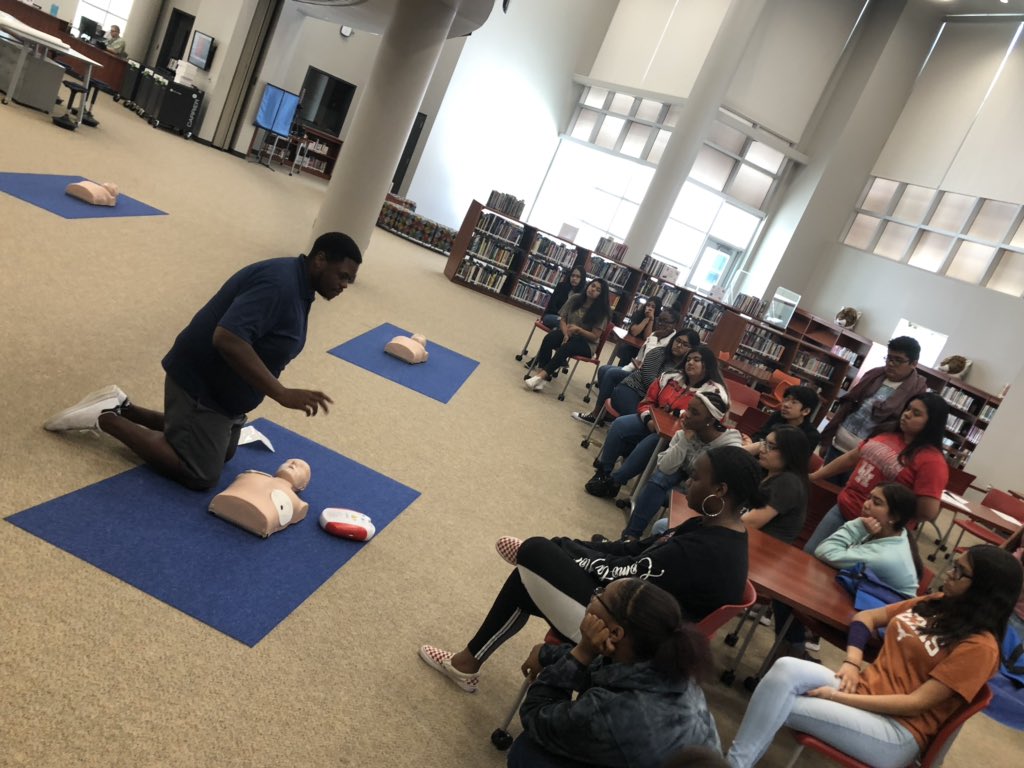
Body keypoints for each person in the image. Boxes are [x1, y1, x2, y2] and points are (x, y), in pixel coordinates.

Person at [418, 446, 762, 694]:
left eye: (696, 477)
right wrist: (567, 546)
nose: (687, 482)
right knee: (537, 563)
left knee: (535, 551)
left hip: (628, 643)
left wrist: (560, 553)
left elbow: (623, 574)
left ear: (720, 490)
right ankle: (467, 664)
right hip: (628, 612)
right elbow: (633, 549)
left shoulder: (703, 551)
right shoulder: (711, 528)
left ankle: (468, 661)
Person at [44, 232, 362, 491]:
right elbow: (227, 338)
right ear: (320, 260)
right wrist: (281, 393)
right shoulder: (279, 285)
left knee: (223, 453)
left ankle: (124, 407)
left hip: (225, 393)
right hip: (201, 382)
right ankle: (104, 418)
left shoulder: (299, 285)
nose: (344, 285)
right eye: (342, 275)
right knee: (200, 474)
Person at [726, 546, 1023, 768]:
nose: (949, 574)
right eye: (953, 566)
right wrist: (852, 663)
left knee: (780, 700)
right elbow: (867, 617)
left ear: (984, 589)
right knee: (786, 669)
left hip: (896, 731)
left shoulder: (980, 647)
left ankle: (735, 764)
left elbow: (915, 704)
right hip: (866, 689)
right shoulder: (938, 603)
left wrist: (836, 697)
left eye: (960, 572)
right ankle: (736, 764)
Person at [506, 579, 721, 768]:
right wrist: (546, 653)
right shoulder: (671, 665)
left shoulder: (611, 712)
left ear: (616, 633)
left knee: (527, 752)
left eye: (600, 594)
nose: (593, 596)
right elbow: (605, 667)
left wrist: (582, 651)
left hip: (632, 737)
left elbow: (535, 713)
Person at [772, 482, 922, 658]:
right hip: (861, 594)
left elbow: (824, 552)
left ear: (894, 517)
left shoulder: (885, 556)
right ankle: (790, 651)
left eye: (877, 502)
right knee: (790, 585)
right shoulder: (893, 532)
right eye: (869, 498)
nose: (866, 504)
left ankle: (792, 652)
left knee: (788, 595)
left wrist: (857, 526)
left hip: (879, 624)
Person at [805, 393, 949, 553]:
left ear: (932, 423)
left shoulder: (932, 460)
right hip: (844, 508)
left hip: (876, 529)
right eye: (908, 409)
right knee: (810, 553)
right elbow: (852, 457)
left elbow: (927, 511)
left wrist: (891, 520)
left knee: (839, 573)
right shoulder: (886, 434)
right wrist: (815, 476)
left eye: (916, 414)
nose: (907, 415)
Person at [585, 345, 728, 499]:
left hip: (685, 438)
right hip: (653, 422)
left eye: (696, 360)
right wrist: (648, 420)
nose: (690, 362)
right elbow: (648, 401)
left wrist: (676, 420)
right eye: (688, 359)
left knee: (653, 441)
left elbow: (710, 423)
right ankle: (603, 472)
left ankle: (615, 481)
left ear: (707, 365)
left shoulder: (716, 393)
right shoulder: (670, 376)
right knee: (620, 424)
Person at [620, 390, 742, 539]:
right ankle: (630, 536)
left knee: (664, 481)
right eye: (689, 408)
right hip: (680, 488)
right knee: (660, 477)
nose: (687, 414)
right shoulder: (685, 433)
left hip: (707, 497)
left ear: (710, 420)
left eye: (695, 412)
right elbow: (664, 467)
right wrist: (684, 440)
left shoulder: (728, 447)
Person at [819, 336, 927, 466]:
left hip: (869, 457)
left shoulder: (917, 391)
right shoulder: (874, 374)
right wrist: (827, 438)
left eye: (898, 360)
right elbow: (847, 405)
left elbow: (902, 428)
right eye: (889, 358)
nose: (891, 363)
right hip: (837, 443)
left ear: (913, 363)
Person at [572, 317, 692, 425]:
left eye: (685, 344)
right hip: (635, 388)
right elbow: (649, 380)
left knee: (609, 372)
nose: (679, 345)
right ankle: (597, 414)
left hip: (652, 398)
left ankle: (604, 415)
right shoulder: (659, 352)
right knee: (636, 421)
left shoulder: (686, 367)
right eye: (678, 341)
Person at [524, 279, 611, 392]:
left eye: (598, 290)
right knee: (549, 338)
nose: (593, 289)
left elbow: (595, 336)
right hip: (569, 333)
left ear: (601, 295)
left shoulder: (602, 311)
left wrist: (579, 330)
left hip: (587, 344)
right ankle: (543, 376)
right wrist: (565, 334)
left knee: (566, 348)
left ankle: (539, 377)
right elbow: (563, 319)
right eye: (592, 286)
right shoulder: (575, 298)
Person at [743, 385, 820, 453]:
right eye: (786, 400)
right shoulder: (778, 416)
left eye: (794, 402)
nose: (785, 405)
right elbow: (761, 435)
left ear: (806, 411)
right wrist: (750, 442)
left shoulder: (811, 436)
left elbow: (794, 461)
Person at [610, 297, 664, 366]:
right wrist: (646, 318)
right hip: (630, 345)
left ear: (657, 309)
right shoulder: (639, 313)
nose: (649, 308)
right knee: (627, 351)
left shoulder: (658, 321)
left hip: (644, 349)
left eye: (653, 307)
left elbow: (647, 337)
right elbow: (634, 332)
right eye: (648, 305)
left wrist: (651, 320)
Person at [538, 267, 586, 337]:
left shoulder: (582, 295)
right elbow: (552, 305)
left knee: (567, 327)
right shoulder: (561, 286)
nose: (574, 278)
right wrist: (562, 318)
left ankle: (557, 334)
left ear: (582, 279)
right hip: (551, 316)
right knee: (563, 323)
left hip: (568, 322)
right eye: (573, 275)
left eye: (578, 276)